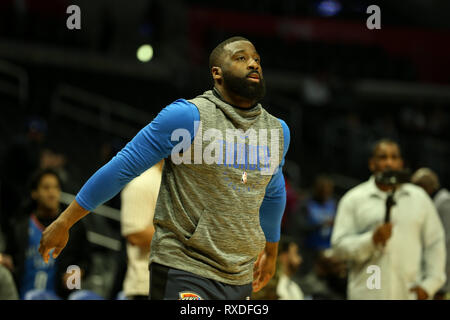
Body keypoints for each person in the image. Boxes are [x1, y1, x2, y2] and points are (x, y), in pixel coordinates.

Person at [39, 36, 290, 300]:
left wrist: (271, 252)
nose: (253, 64)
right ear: (217, 73)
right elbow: (122, 167)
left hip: (239, 273)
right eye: (241, 58)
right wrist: (65, 221)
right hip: (183, 266)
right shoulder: (187, 116)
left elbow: (273, 192)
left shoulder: (277, 131)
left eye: (257, 60)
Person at [331, 139, 446, 300]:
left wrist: (430, 284)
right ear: (372, 163)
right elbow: (338, 247)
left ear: (401, 163)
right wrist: (371, 240)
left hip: (409, 292)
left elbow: (435, 242)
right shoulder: (354, 199)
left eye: (394, 158)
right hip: (368, 292)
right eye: (383, 157)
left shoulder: (419, 198)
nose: (388, 163)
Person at [1, 168, 92, 299]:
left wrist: (77, 272)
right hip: (21, 294)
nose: (52, 193)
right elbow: (9, 256)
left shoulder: (74, 226)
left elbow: (85, 261)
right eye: (46, 188)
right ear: (34, 193)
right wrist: (6, 261)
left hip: (59, 295)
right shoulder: (19, 226)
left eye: (56, 187)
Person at [121, 161, 163, 300]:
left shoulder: (181, 184)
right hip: (145, 286)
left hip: (177, 283)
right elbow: (136, 235)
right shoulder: (142, 183)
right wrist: (184, 233)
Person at [411, 167, 450, 299]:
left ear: (424, 187)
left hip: (442, 273)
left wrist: (441, 281)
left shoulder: (444, 201)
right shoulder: (431, 201)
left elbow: (446, 242)